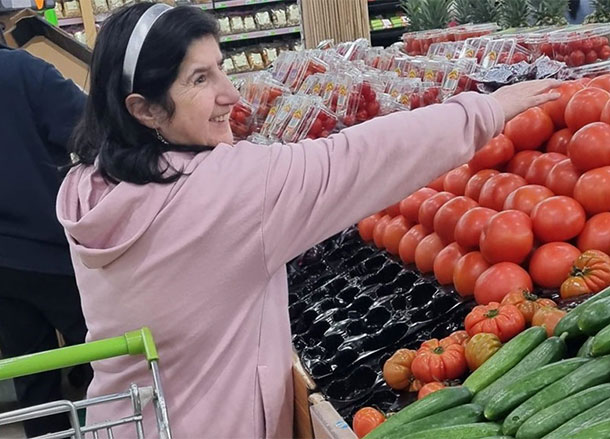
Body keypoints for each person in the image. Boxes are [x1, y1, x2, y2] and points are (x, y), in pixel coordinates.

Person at [56, 3, 560, 438]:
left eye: (221, 67)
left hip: (125, 419)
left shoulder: (87, 186)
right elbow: (356, 158)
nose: (230, 94)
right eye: (199, 79)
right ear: (143, 109)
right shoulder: (228, 192)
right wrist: (487, 110)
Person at [0, 35, 91, 436]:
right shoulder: (23, 72)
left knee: (31, 372)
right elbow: (91, 134)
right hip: (54, 255)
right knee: (104, 357)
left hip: (3, 270)